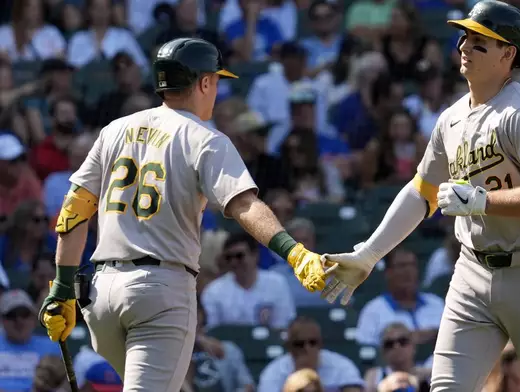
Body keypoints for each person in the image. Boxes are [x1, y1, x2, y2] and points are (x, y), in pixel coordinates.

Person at [37, 37, 333, 392]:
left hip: (102, 295)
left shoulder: (115, 130)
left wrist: (61, 287)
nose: (217, 88)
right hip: (158, 293)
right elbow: (243, 205)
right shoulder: (205, 138)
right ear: (204, 82)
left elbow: (74, 212)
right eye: (216, 80)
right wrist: (294, 252)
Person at [320, 1, 520, 391]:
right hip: (472, 272)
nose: (464, 45)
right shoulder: (451, 117)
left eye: (480, 42)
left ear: (508, 54)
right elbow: (422, 192)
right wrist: (369, 253)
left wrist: (482, 201)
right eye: (464, 36)